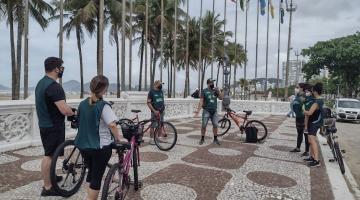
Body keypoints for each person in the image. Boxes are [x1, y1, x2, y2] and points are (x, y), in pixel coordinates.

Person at [74, 75, 122, 200]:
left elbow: (79, 121)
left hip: (83, 146)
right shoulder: (103, 106)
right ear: (104, 89)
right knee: (96, 180)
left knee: (92, 173)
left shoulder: (82, 104)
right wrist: (119, 138)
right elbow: (112, 124)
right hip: (99, 148)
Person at [35, 57, 75, 196]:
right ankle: (47, 187)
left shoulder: (41, 83)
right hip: (52, 126)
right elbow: (64, 109)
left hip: (45, 124)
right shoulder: (54, 86)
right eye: (61, 67)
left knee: (50, 154)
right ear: (56, 68)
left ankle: (51, 177)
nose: (62, 70)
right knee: (49, 156)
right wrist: (74, 112)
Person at [194, 78, 223, 145]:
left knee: (215, 125)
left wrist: (219, 91)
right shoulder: (204, 91)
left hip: (214, 111)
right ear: (208, 84)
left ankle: (215, 139)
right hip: (206, 111)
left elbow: (221, 98)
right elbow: (201, 101)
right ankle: (202, 138)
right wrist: (198, 111)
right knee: (204, 125)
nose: (212, 84)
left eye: (213, 83)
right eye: (211, 83)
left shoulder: (215, 91)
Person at [304, 83, 324, 167]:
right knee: (310, 140)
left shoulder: (317, 101)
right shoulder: (319, 99)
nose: (311, 91)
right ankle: (312, 157)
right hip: (313, 122)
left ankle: (316, 160)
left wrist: (303, 110)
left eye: (312, 90)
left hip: (314, 123)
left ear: (314, 91)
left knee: (312, 141)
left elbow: (310, 112)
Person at [289, 83, 310, 156]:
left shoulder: (304, 96)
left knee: (305, 134)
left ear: (302, 88)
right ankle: (298, 148)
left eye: (297, 87)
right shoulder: (297, 95)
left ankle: (307, 151)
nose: (296, 88)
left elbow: (306, 106)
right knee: (299, 133)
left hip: (303, 117)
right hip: (298, 117)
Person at [147, 80, 165, 145]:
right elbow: (148, 103)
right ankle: (151, 139)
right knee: (153, 125)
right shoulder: (151, 92)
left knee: (160, 125)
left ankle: (159, 137)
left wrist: (163, 108)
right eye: (160, 84)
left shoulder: (161, 91)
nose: (161, 86)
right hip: (155, 112)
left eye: (161, 84)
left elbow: (162, 100)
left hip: (161, 111)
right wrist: (154, 111)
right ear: (156, 84)